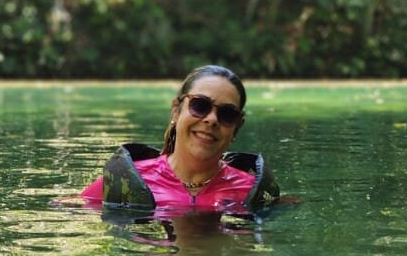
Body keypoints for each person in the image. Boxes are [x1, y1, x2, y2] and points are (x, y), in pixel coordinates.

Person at [81, 65, 279, 213]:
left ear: (237, 126)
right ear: (176, 111)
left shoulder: (254, 193)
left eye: (227, 114)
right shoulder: (121, 182)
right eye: (200, 105)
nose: (211, 119)